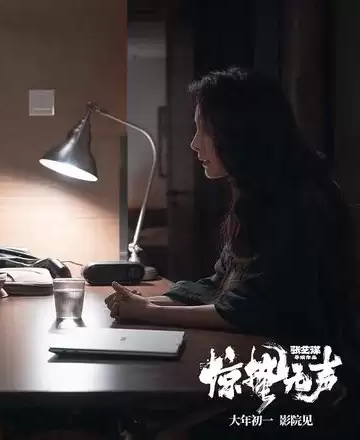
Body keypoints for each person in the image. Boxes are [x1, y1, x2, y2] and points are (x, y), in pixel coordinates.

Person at [105, 67, 360, 436]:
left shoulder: (300, 206)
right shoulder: (260, 198)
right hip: (266, 367)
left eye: (202, 130)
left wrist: (148, 311)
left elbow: (252, 310)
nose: (194, 144)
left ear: (238, 134)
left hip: (308, 389)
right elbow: (219, 286)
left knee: (159, 421)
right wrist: (147, 302)